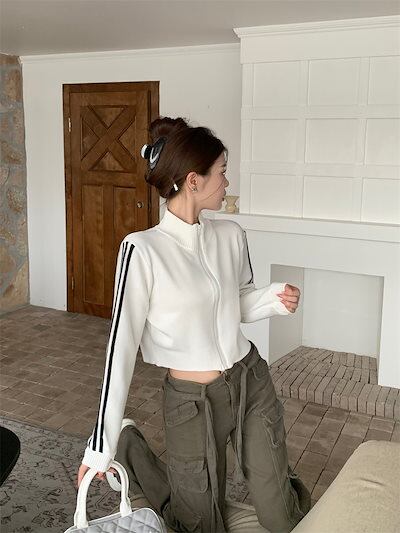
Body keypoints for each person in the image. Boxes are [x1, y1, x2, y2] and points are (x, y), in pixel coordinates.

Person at [76, 116, 311, 532]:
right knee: (199, 524)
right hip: (191, 401)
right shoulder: (142, 251)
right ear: (193, 181)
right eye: (222, 172)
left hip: (249, 381)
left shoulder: (231, 235)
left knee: (281, 515)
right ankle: (130, 448)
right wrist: (101, 446)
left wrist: (273, 299)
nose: (227, 182)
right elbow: (121, 348)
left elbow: (236, 303)